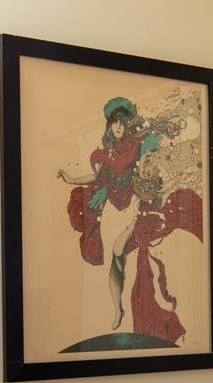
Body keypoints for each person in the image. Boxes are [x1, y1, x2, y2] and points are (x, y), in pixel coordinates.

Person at [58, 96, 191, 334]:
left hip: (133, 203)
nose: (119, 127)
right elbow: (97, 177)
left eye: (122, 123)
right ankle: (118, 308)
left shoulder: (137, 145)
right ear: (109, 126)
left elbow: (149, 166)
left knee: (119, 249)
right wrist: (71, 180)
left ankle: (135, 302)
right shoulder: (104, 152)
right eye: (115, 123)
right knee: (116, 260)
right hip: (112, 207)